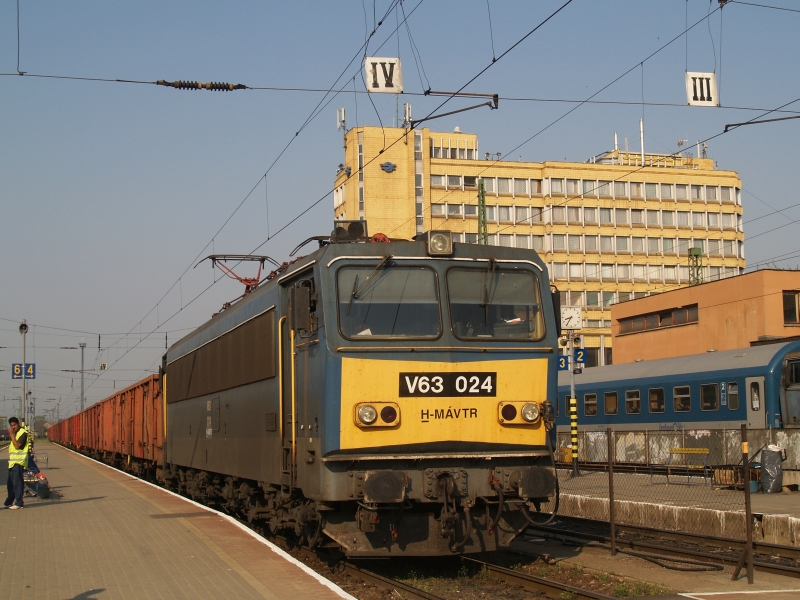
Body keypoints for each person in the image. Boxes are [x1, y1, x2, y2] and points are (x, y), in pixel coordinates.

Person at [3, 417, 29, 509]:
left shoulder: (23, 433)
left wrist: (12, 435)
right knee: (10, 483)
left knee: (17, 483)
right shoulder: (16, 433)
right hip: (13, 462)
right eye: (11, 426)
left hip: (19, 462)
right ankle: (9, 502)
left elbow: (17, 446)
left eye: (14, 425)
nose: (13, 427)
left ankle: (19, 503)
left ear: (18, 423)